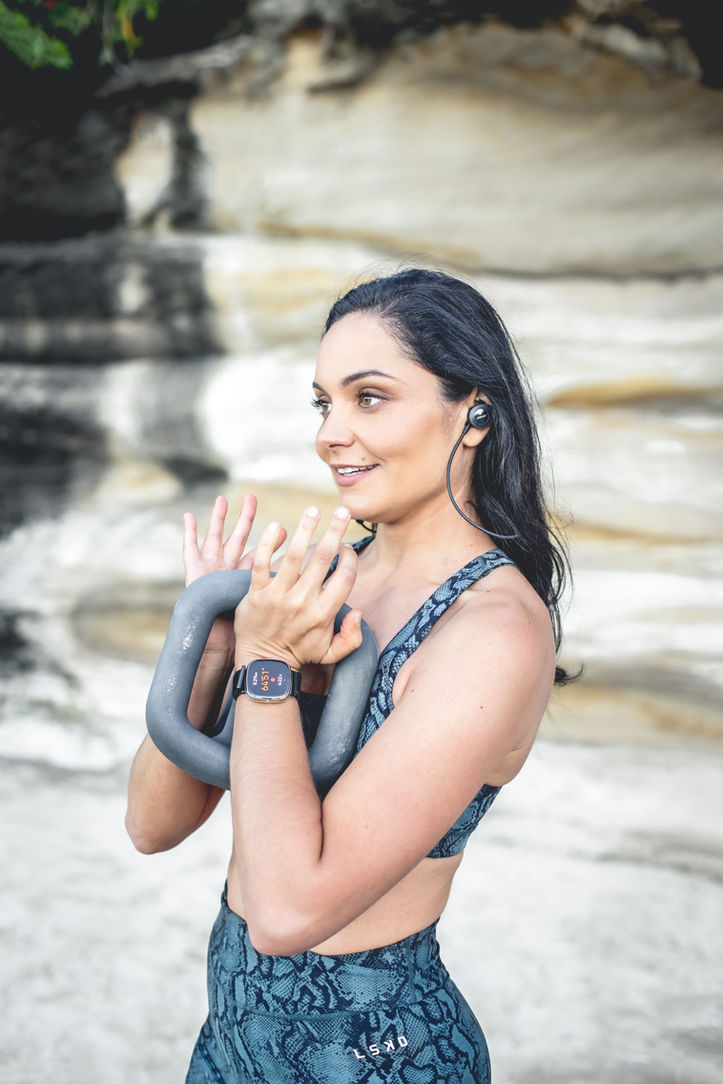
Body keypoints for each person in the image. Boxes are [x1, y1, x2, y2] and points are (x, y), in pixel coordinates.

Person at [126, 268, 573, 1083]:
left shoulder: (491, 632)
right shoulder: (327, 581)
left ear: (472, 413)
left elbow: (290, 908)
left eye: (369, 397)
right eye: (322, 402)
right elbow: (153, 825)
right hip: (230, 1046)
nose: (330, 432)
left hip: (374, 1059)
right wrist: (222, 641)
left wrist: (269, 666)